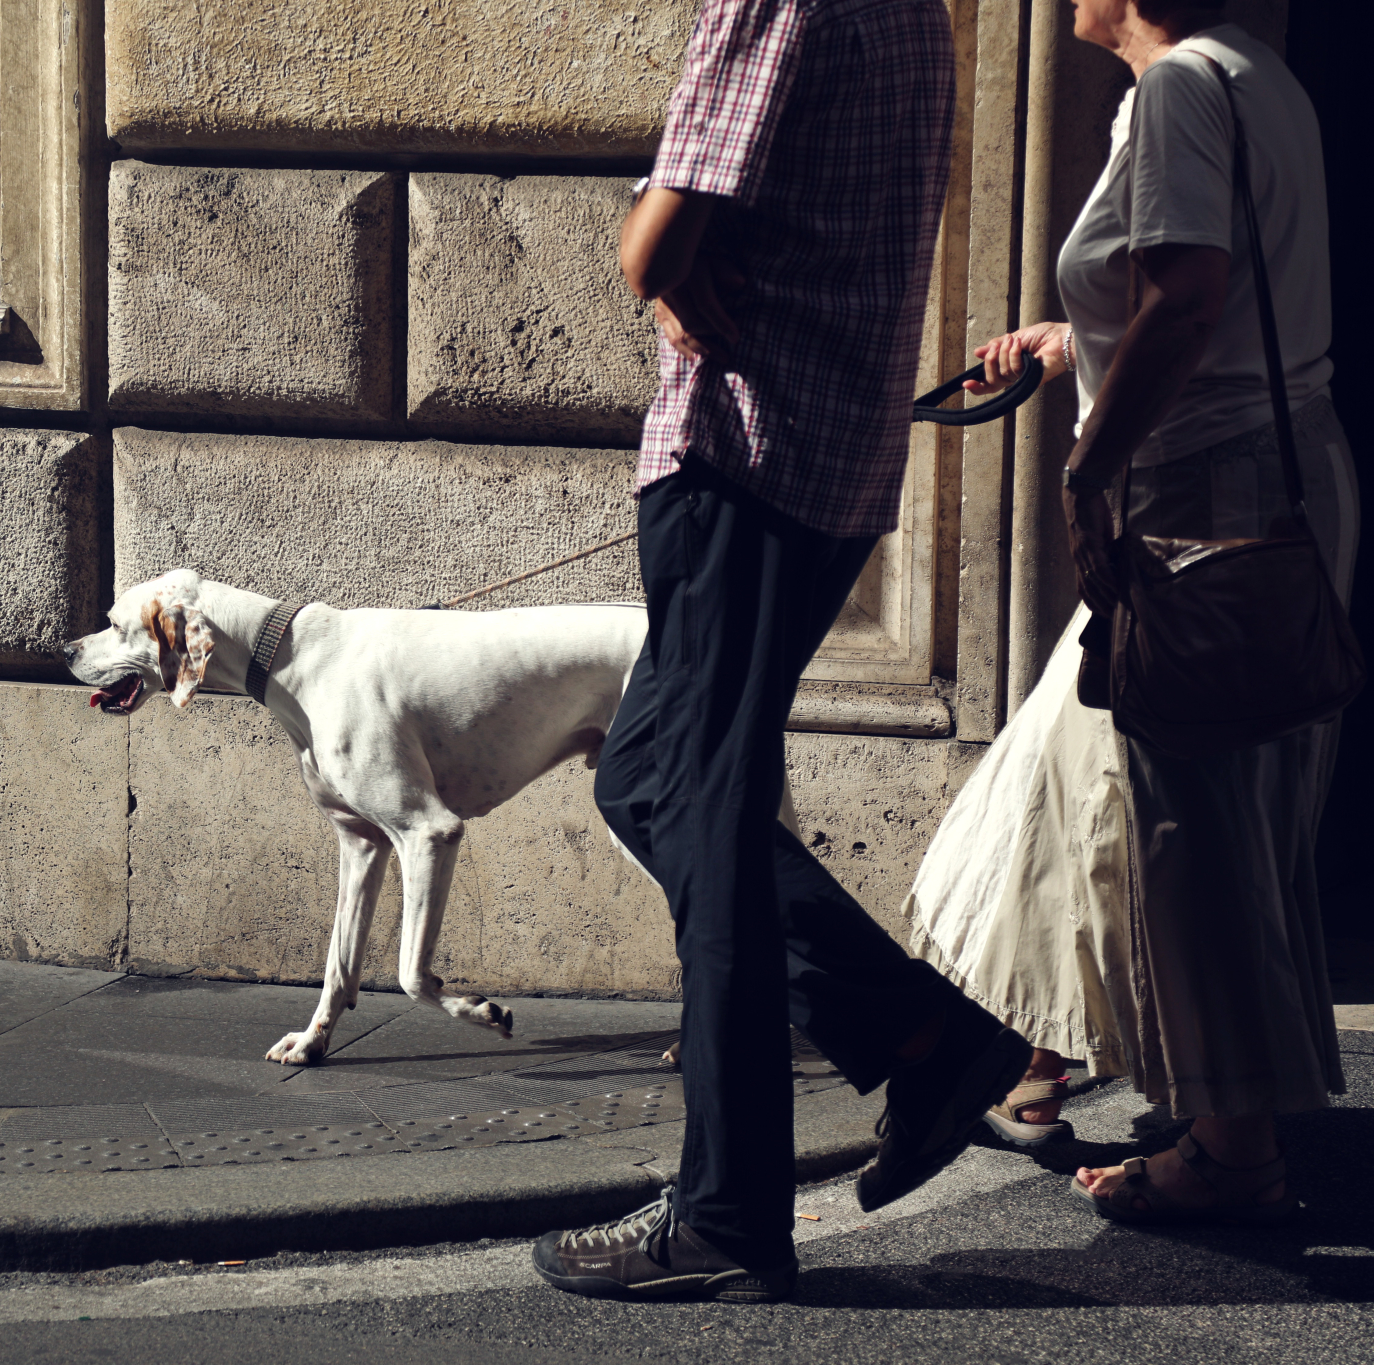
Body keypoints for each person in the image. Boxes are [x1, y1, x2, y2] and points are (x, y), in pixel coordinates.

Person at [528, 0, 1032, 1305]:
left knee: (699, 810)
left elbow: (656, 248)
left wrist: (656, 227)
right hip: (832, 465)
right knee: (654, 780)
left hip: (741, 456)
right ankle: (918, 1036)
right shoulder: (919, 11)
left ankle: (731, 1209)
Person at [906, 0, 1352, 1223]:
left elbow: (1193, 297)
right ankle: (1043, 1059)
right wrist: (1070, 341)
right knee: (1064, 782)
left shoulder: (1175, 93)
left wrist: (1090, 460)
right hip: (1249, 487)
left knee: (1189, 827)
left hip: (1201, 506)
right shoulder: (1250, 75)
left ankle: (1233, 1153)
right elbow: (1203, 297)